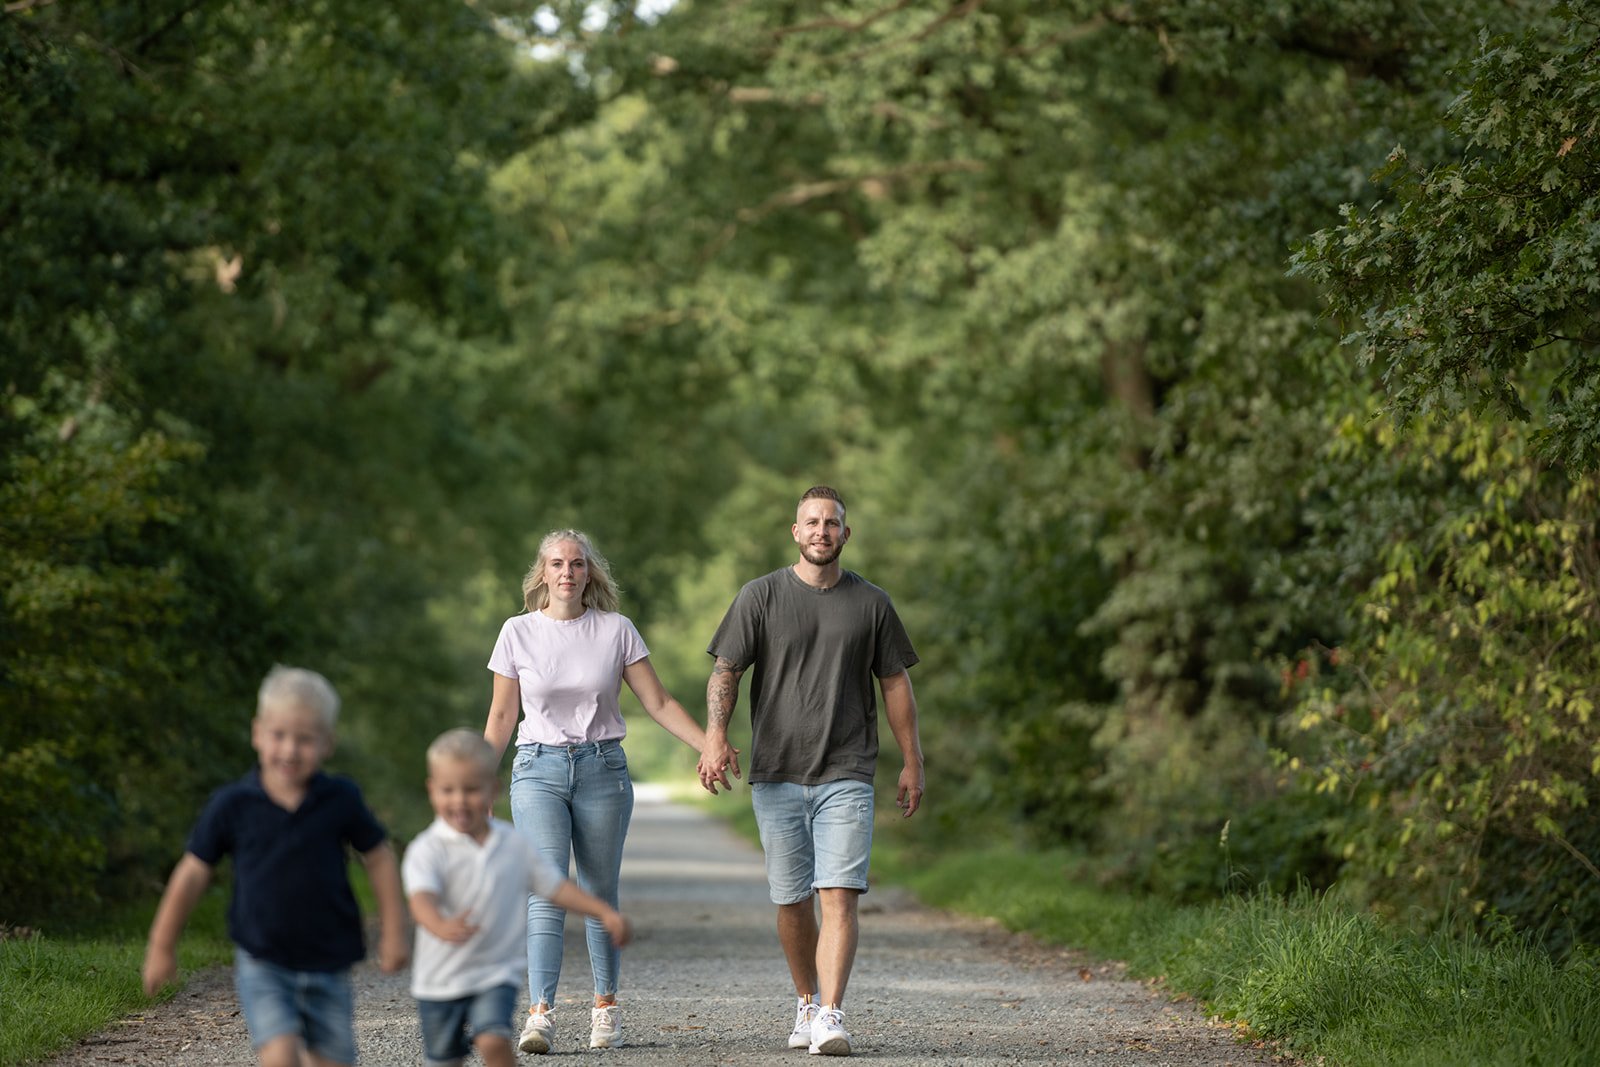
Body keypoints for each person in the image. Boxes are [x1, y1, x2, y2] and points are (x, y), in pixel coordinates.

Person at [698, 485, 925, 1057]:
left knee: (839, 896)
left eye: (832, 523)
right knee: (792, 900)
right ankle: (805, 1000)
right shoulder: (761, 596)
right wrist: (716, 736)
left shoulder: (872, 604)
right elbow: (727, 670)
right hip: (776, 772)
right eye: (812, 522)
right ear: (796, 532)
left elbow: (895, 683)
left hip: (847, 769)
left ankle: (830, 1012)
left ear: (846, 534)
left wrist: (912, 760)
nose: (822, 531)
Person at [483, 529, 726, 1054]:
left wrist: (709, 745)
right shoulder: (517, 632)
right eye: (556, 564)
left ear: (589, 572)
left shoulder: (616, 630)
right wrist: (481, 778)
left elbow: (658, 701)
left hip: (603, 770)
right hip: (537, 768)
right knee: (546, 887)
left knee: (597, 892)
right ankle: (541, 1014)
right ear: (541, 573)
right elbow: (502, 715)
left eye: (576, 563)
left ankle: (605, 1009)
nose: (567, 572)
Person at [141, 666, 409, 1067]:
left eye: (304, 739)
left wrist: (394, 932)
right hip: (263, 960)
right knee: (280, 1056)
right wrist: (162, 946)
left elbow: (379, 856)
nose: (289, 750)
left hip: (328, 960)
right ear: (257, 733)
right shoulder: (233, 804)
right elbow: (193, 871)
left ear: (327, 743)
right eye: (279, 735)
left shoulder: (340, 798)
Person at [403, 729, 632, 1067]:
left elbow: (553, 887)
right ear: (431, 791)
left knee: (495, 1040)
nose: (460, 801)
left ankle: (542, 1014)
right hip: (439, 981)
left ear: (493, 791)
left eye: (471, 790)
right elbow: (420, 898)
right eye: (448, 791)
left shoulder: (510, 844)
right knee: (443, 1058)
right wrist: (438, 924)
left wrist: (602, 911)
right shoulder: (427, 848)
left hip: (494, 974)